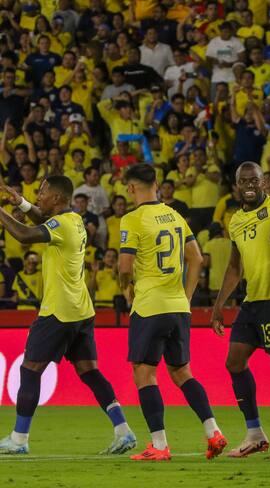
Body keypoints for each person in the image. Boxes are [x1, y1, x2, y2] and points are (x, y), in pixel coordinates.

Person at [0, 178, 135, 455]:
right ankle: (123, 431)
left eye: (43, 193)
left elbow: (26, 235)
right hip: (81, 311)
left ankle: (19, 439)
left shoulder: (60, 224)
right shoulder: (72, 220)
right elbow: (43, 220)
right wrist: (22, 204)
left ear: (58, 199)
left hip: (58, 312)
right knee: (90, 371)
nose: (38, 196)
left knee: (29, 370)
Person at [118, 164, 226, 461]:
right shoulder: (176, 215)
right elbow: (198, 259)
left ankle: (159, 445)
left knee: (144, 374)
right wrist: (187, 297)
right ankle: (213, 431)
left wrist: (127, 290)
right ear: (156, 183)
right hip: (178, 306)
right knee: (181, 372)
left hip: (150, 306)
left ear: (131, 188)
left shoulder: (132, 218)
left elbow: (125, 267)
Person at [210, 162, 270, 457]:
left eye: (254, 180)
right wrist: (219, 305)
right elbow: (235, 266)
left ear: (264, 183)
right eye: (243, 180)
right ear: (237, 185)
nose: (249, 184)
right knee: (234, 362)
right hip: (252, 301)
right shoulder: (235, 221)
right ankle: (255, 434)